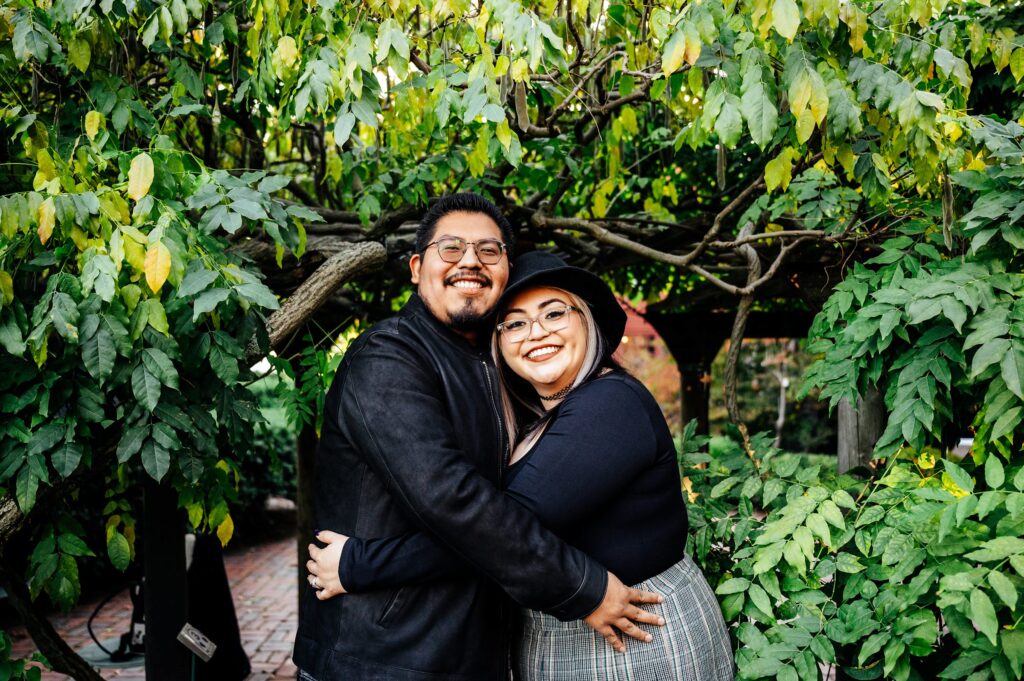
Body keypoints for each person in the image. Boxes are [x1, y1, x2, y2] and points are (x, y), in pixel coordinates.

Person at [307, 251, 735, 680]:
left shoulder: (609, 405)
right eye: (514, 322)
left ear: (586, 320)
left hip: (632, 634)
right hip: (565, 632)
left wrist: (363, 564)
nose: (535, 333)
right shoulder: (540, 417)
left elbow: (501, 529)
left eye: (553, 313)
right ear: (499, 344)